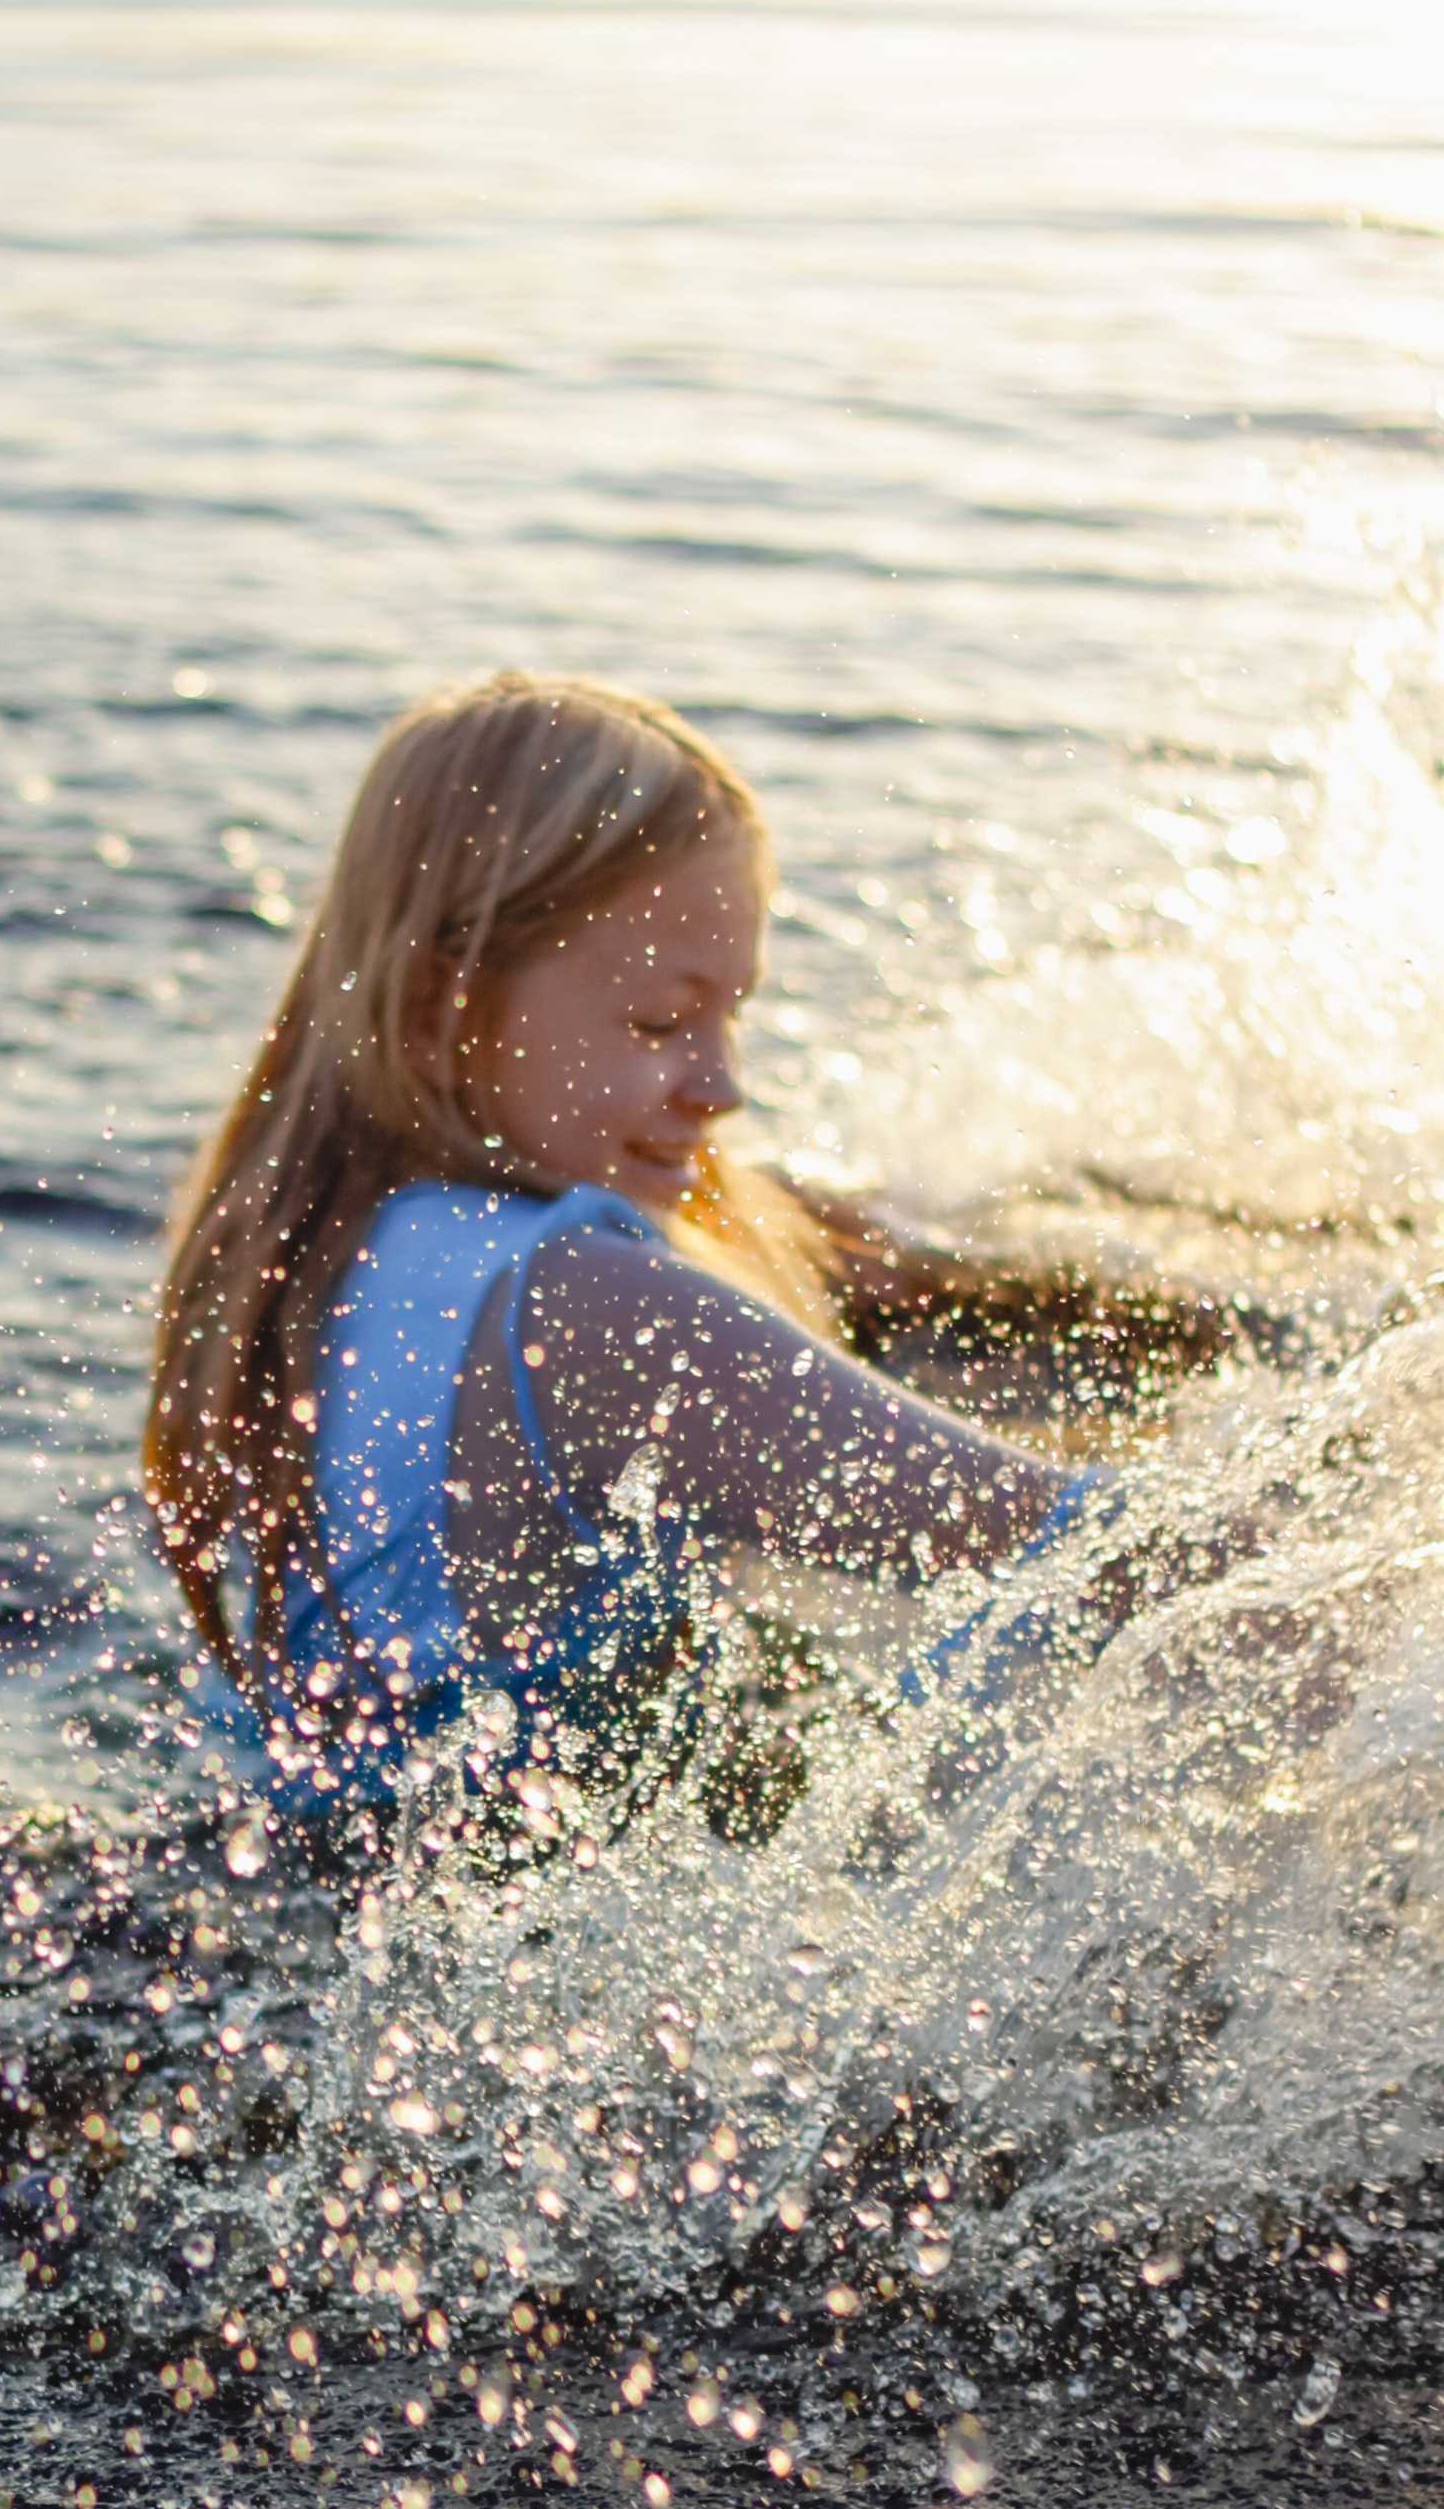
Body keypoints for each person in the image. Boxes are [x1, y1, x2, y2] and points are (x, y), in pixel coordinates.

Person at [145, 670, 1166, 1822]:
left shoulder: (335, 1251)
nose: (723, 1085)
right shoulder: (584, 1309)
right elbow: (1091, 1552)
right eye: (658, 1023)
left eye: (734, 1013)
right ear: (438, 1014)